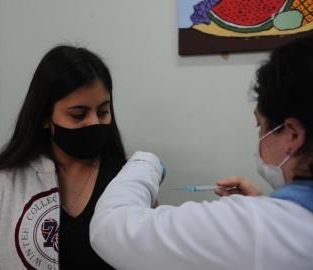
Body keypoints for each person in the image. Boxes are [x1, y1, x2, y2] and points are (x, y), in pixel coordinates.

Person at [90, 34, 313, 270]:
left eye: (261, 125)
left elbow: (110, 229)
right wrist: (263, 207)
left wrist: (146, 162)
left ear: (293, 134)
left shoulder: (264, 228)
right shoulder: (277, 228)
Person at [0, 45, 127, 270]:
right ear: (44, 117)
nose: (94, 123)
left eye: (103, 112)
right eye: (79, 114)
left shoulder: (129, 180)